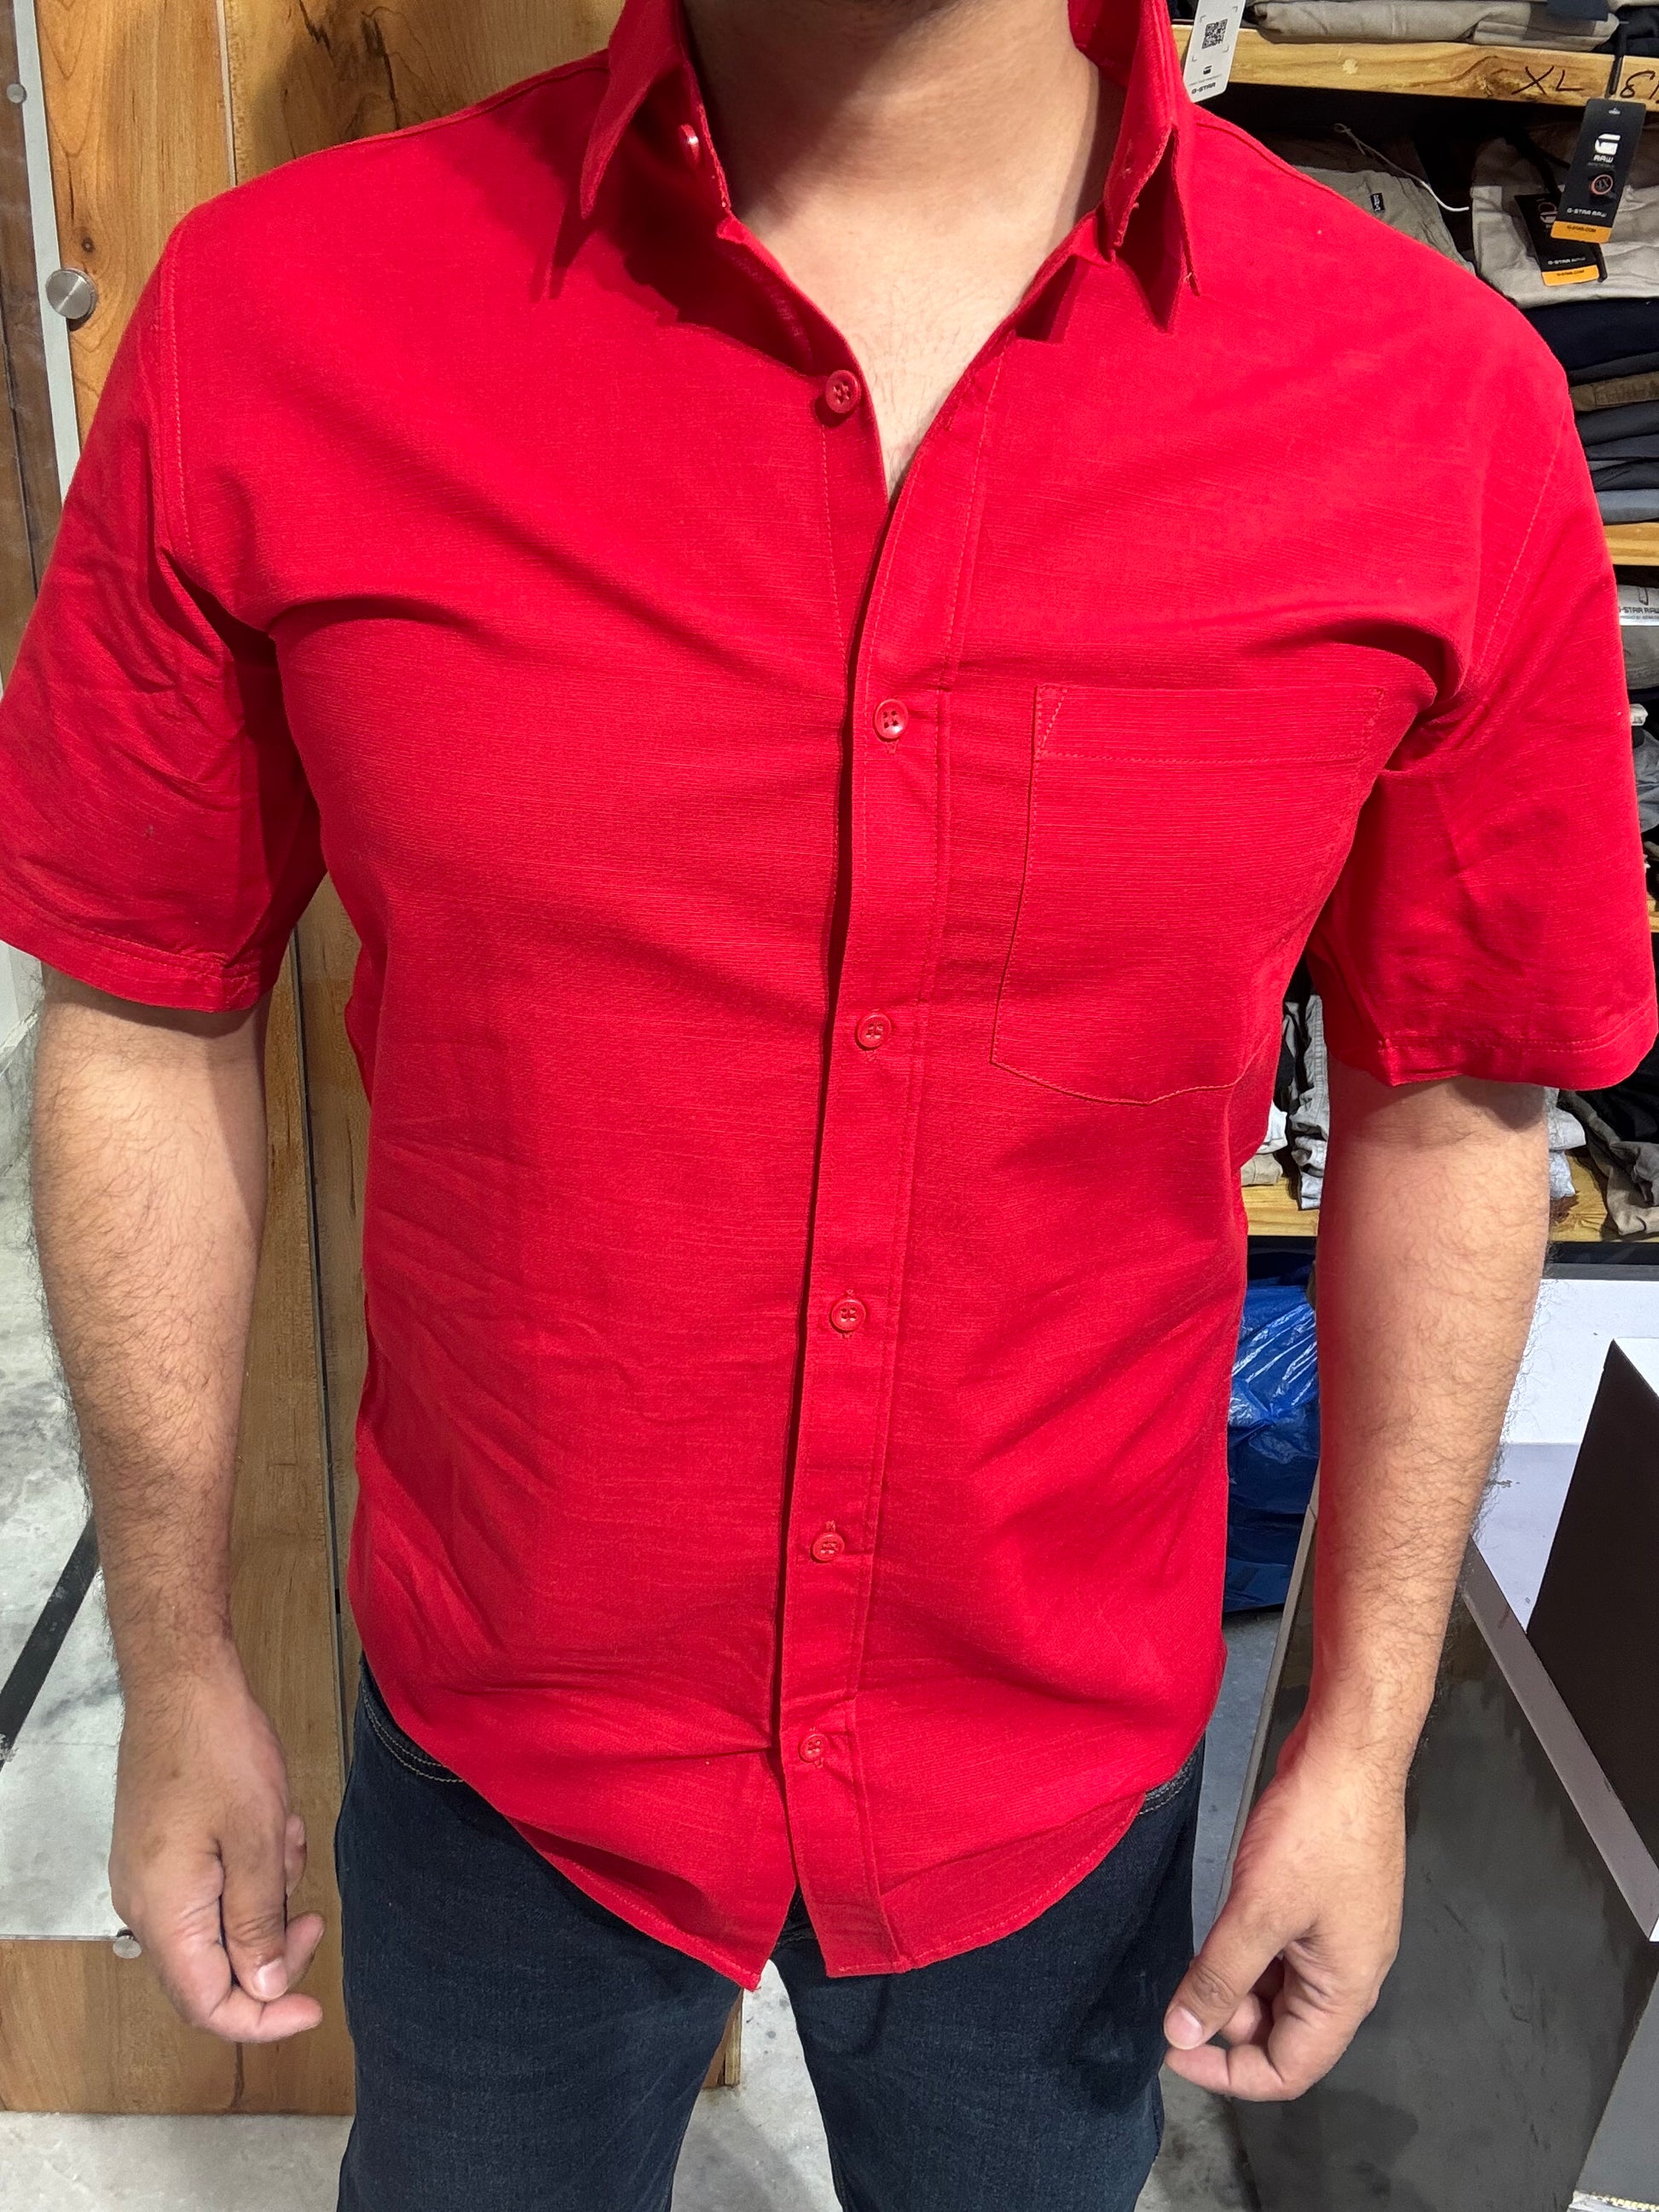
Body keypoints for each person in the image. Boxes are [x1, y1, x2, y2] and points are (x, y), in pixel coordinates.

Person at [3, 0, 1654, 2203]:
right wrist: (177, 1653)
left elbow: (1451, 1103)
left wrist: (1359, 1739)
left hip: (1053, 1761)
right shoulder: (279, 321)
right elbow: (143, 1004)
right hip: (508, 1743)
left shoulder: (1432, 408)